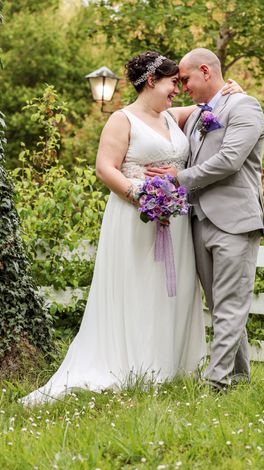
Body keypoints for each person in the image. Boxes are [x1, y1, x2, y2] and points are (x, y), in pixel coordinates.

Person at [20, 51, 243, 406]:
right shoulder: (122, 120)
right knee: (138, 287)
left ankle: (173, 367)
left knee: (175, 291)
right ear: (152, 81)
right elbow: (104, 168)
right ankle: (134, 365)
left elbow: (209, 106)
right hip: (135, 218)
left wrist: (231, 88)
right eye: (173, 83)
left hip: (175, 222)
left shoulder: (172, 117)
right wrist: (141, 195)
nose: (178, 90)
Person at [146, 48, 264, 391]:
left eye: (185, 79)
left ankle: (216, 384)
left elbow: (230, 160)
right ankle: (240, 380)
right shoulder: (199, 116)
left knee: (229, 305)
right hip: (200, 221)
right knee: (222, 306)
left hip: (236, 222)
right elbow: (154, 112)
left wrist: (178, 178)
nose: (183, 87)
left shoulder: (245, 106)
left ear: (205, 71)